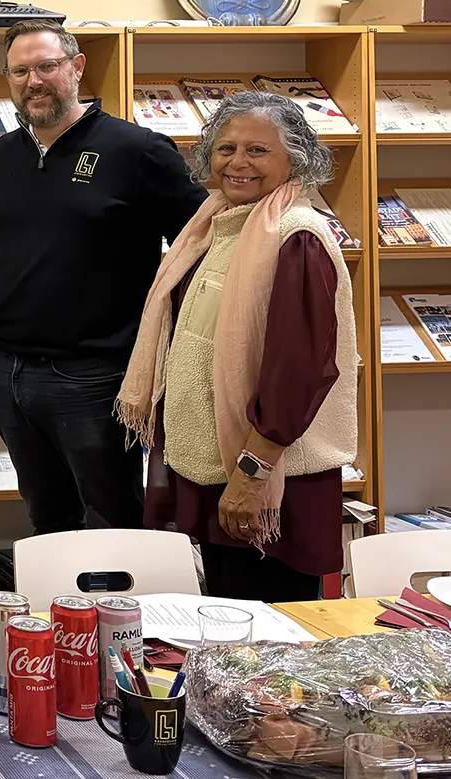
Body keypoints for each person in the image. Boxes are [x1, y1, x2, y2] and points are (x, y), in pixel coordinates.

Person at [0, 20, 207, 536]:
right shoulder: (1, 155)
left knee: (115, 522)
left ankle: (121, 596)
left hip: (94, 377)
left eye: (46, 66)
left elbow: (202, 245)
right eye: (20, 71)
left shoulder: (137, 150)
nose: (33, 81)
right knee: (48, 521)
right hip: (8, 375)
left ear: (77, 67)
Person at [118, 91, 358, 603]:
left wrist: (253, 474)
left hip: (266, 474)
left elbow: (299, 371)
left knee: (272, 630)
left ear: (296, 159)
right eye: (226, 148)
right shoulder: (216, 225)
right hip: (214, 465)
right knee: (228, 620)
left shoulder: (296, 236)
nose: (238, 162)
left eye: (258, 150)